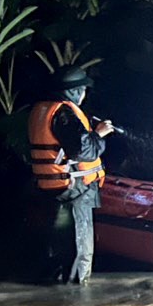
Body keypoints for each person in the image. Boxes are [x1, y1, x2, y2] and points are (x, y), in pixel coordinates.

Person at [27, 66, 117, 284]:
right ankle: (76, 297)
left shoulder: (41, 109)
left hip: (51, 188)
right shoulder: (64, 114)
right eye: (83, 89)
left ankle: (54, 293)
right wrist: (99, 134)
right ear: (75, 91)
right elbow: (84, 150)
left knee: (56, 246)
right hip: (74, 189)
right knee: (79, 249)